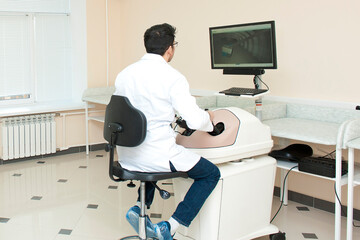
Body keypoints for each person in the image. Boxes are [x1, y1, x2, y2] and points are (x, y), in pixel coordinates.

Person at [114, 23, 220, 240]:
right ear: (170, 48)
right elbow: (193, 118)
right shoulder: (173, 77)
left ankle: (138, 207)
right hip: (156, 156)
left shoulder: (124, 74)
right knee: (210, 174)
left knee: (149, 156)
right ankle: (170, 226)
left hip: (126, 155)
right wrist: (209, 122)